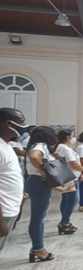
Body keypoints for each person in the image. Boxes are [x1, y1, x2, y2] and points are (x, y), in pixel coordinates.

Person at [26, 126, 61, 262]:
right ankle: (38, 249)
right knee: (38, 218)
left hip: (37, 182)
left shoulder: (40, 146)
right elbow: (34, 156)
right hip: (38, 182)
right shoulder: (40, 145)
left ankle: (38, 247)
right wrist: (45, 172)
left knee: (39, 217)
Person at [0, 108, 27, 253]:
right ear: (8, 123)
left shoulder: (6, 145)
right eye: (22, 122)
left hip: (9, 208)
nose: (24, 125)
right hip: (2, 212)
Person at [55, 130, 83, 234]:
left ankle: (64, 221)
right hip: (70, 177)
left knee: (66, 200)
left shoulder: (63, 147)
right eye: (73, 135)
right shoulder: (64, 148)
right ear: (68, 136)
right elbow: (73, 163)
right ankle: (64, 222)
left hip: (69, 176)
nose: (74, 137)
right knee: (73, 200)